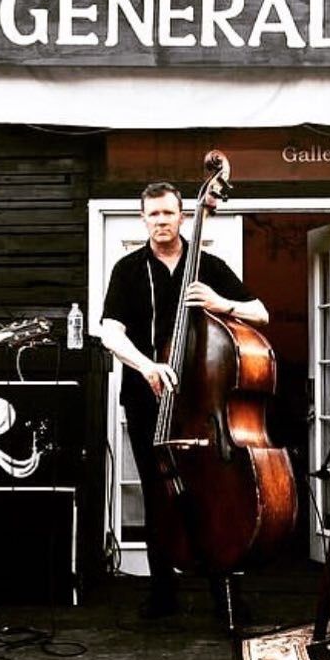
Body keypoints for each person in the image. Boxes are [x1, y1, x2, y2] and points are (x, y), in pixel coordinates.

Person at [99, 181, 268, 620]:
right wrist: (146, 366)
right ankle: (162, 590)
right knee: (157, 493)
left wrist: (221, 302)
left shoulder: (207, 265)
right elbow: (110, 333)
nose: (161, 221)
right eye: (153, 214)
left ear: (182, 216)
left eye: (168, 213)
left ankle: (222, 588)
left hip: (202, 402)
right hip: (146, 398)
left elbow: (261, 312)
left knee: (210, 491)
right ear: (143, 219)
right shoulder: (128, 270)